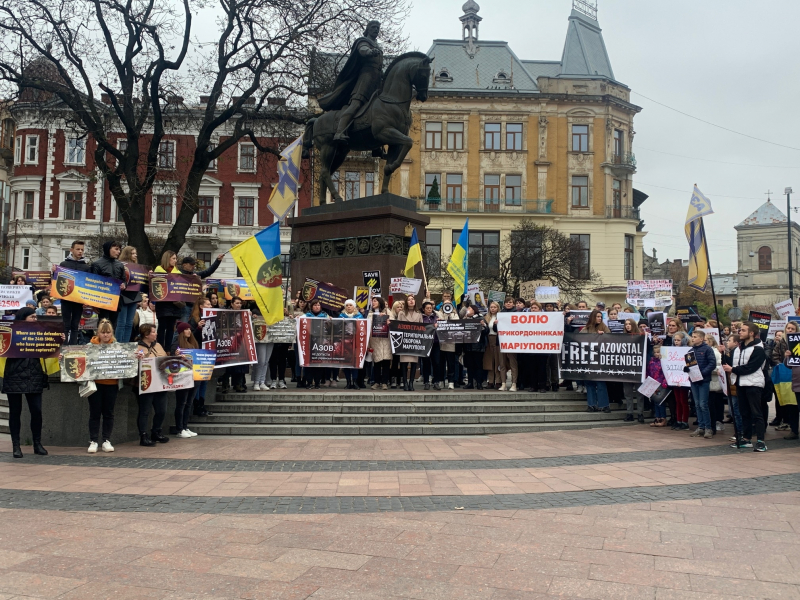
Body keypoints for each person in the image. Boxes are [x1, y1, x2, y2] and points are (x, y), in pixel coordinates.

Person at [3, 307, 54, 458]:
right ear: (23, 318)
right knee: (15, 412)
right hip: (14, 375)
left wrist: (59, 340)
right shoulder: (11, 332)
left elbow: (50, 347)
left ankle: (37, 444)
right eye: (32, 317)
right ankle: (16, 446)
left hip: (34, 374)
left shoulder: (40, 332)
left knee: (36, 411)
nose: (35, 319)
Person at [723, 322, 768, 452]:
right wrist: (724, 354)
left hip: (753, 384)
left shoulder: (758, 349)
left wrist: (733, 369)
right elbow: (732, 363)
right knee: (744, 412)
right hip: (740, 383)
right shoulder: (738, 348)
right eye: (740, 330)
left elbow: (751, 367)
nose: (740, 332)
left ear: (751, 333)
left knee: (756, 413)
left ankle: (760, 441)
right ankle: (747, 439)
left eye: (743, 330)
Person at [87, 319, 119, 453]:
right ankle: (93, 440)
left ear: (112, 333)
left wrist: (136, 357)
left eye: (108, 332)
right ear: (98, 333)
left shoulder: (119, 347)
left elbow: (128, 362)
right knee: (94, 413)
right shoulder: (90, 346)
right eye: (103, 332)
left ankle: (106, 440)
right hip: (95, 384)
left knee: (109, 413)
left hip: (112, 384)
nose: (106, 335)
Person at [136, 324, 170, 447]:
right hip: (147, 383)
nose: (156, 334)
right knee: (145, 411)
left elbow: (166, 360)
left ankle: (156, 431)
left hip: (161, 382)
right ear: (146, 335)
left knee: (161, 410)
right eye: (153, 332)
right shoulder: (138, 347)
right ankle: (143, 435)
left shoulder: (158, 345)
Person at [56, 240, 91, 344]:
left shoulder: (86, 267)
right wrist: (54, 272)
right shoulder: (64, 264)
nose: (80, 251)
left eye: (82, 250)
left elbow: (88, 284)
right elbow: (58, 281)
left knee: (75, 324)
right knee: (66, 324)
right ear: (71, 250)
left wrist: (86, 300)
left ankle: (73, 346)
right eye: (78, 249)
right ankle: (64, 345)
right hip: (66, 298)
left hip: (79, 300)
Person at [686, 329, 716, 439]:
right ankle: (701, 427)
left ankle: (708, 428)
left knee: (703, 404)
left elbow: (712, 363)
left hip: (703, 380)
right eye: (692, 337)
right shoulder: (690, 350)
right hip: (694, 380)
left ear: (701, 338)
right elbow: (690, 364)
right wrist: (687, 368)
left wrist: (702, 374)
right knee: (697, 404)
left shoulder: (707, 349)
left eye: (694, 337)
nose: (692, 339)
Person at [171, 322, 199, 438]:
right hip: (183, 376)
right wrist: (176, 355)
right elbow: (172, 360)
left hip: (194, 376)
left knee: (188, 403)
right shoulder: (176, 343)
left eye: (189, 329)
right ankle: (179, 428)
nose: (189, 331)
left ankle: (185, 426)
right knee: (181, 403)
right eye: (186, 329)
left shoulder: (192, 343)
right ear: (181, 331)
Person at [90, 241, 126, 327]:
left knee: (113, 324)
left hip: (116, 299)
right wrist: (94, 304)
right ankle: (101, 340)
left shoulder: (120, 265)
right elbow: (93, 284)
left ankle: (112, 340)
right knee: (103, 324)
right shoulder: (97, 264)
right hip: (103, 299)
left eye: (119, 249)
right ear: (108, 249)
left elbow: (123, 280)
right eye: (116, 249)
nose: (119, 252)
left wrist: (124, 285)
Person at [581, 309, 611, 413]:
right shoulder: (585, 329)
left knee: (601, 382)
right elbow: (579, 340)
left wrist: (603, 336)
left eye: (600, 317)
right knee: (589, 383)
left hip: (600, 361)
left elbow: (611, 340)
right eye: (597, 316)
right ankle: (591, 404)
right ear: (593, 317)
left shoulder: (604, 328)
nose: (599, 318)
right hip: (588, 360)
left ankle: (604, 405)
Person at [154, 251, 185, 349]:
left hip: (174, 305)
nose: (175, 261)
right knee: (162, 327)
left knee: (171, 328)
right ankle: (159, 347)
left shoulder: (178, 273)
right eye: (173, 258)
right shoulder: (158, 270)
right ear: (167, 259)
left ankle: (167, 349)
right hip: (162, 304)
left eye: (176, 258)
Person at [116, 246, 144, 343]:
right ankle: (119, 344)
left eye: (135, 253)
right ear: (127, 254)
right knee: (121, 323)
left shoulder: (137, 267)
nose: (135, 255)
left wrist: (147, 275)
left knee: (129, 323)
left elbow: (140, 281)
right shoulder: (120, 265)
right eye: (132, 253)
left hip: (134, 296)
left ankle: (126, 344)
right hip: (123, 295)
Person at [396, 295, 422, 391]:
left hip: (414, 341)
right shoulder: (402, 313)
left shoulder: (419, 313)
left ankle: (411, 383)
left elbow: (422, 328)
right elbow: (398, 326)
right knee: (404, 363)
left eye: (413, 299)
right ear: (406, 302)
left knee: (414, 363)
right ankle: (405, 383)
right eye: (409, 300)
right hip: (405, 340)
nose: (411, 301)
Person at [622, 318, 645, 423]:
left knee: (640, 393)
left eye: (629, 324)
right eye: (626, 324)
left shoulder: (641, 336)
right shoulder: (622, 337)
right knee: (628, 393)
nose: (627, 326)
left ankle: (640, 413)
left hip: (637, 369)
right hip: (626, 369)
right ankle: (629, 413)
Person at [303, 299, 329, 388]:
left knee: (318, 363)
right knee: (308, 363)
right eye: (315, 305)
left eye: (318, 305)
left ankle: (317, 382)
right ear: (311, 306)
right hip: (309, 342)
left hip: (320, 342)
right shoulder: (306, 315)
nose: (317, 307)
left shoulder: (325, 315)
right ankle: (309, 381)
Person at [338, 299, 364, 389]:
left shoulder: (360, 316)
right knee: (346, 362)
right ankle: (348, 382)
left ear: (354, 307)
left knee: (355, 363)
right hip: (345, 342)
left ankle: (355, 382)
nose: (348, 307)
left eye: (350, 305)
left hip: (356, 342)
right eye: (347, 305)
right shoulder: (341, 316)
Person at [368, 297, 392, 390]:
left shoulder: (388, 312)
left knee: (386, 361)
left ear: (380, 302)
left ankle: (385, 382)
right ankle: (377, 382)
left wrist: (387, 319)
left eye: (375, 301)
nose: (373, 303)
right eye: (372, 301)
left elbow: (393, 321)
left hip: (386, 340)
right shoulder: (370, 314)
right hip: (375, 340)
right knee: (377, 362)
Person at [462, 304, 488, 389]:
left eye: (469, 308)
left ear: (474, 310)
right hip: (468, 346)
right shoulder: (465, 319)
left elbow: (486, 332)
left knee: (478, 365)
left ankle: (479, 383)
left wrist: (483, 325)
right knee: (470, 365)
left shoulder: (480, 318)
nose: (468, 310)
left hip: (478, 346)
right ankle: (470, 383)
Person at [669, 331, 691, 430]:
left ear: (683, 341)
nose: (676, 342)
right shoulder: (671, 350)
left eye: (678, 340)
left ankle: (685, 421)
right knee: (677, 401)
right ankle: (678, 420)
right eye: (675, 340)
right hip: (675, 379)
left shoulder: (687, 350)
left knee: (683, 401)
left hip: (684, 380)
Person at [497, 297, 518, 392]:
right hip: (501, 341)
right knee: (502, 364)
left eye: (510, 302)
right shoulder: (500, 314)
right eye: (507, 302)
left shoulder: (517, 314)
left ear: (513, 304)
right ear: (504, 304)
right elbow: (495, 328)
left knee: (513, 364)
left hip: (512, 342)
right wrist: (495, 324)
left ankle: (514, 384)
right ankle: (503, 383)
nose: (508, 304)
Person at [420, 300, 440, 390]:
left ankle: (436, 381)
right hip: (425, 343)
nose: (429, 310)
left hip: (435, 342)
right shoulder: (421, 318)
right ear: (423, 309)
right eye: (427, 308)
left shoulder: (436, 317)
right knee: (426, 363)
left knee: (436, 362)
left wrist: (439, 323)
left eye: (431, 308)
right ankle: (426, 382)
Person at [647, 346, 669, 427]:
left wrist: (664, 382)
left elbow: (666, 373)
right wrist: (648, 380)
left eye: (658, 352)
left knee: (660, 401)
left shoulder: (663, 361)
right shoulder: (651, 361)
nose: (657, 354)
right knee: (655, 401)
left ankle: (663, 418)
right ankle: (657, 418)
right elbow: (648, 371)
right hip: (653, 383)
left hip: (661, 384)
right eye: (655, 352)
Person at [483, 301, 501, 389]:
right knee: (489, 361)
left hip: (497, 339)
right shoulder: (486, 317)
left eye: (494, 307)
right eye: (491, 307)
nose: (493, 309)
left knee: (497, 360)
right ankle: (490, 381)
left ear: (498, 308)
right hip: (488, 339)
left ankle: (498, 381)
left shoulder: (500, 317)